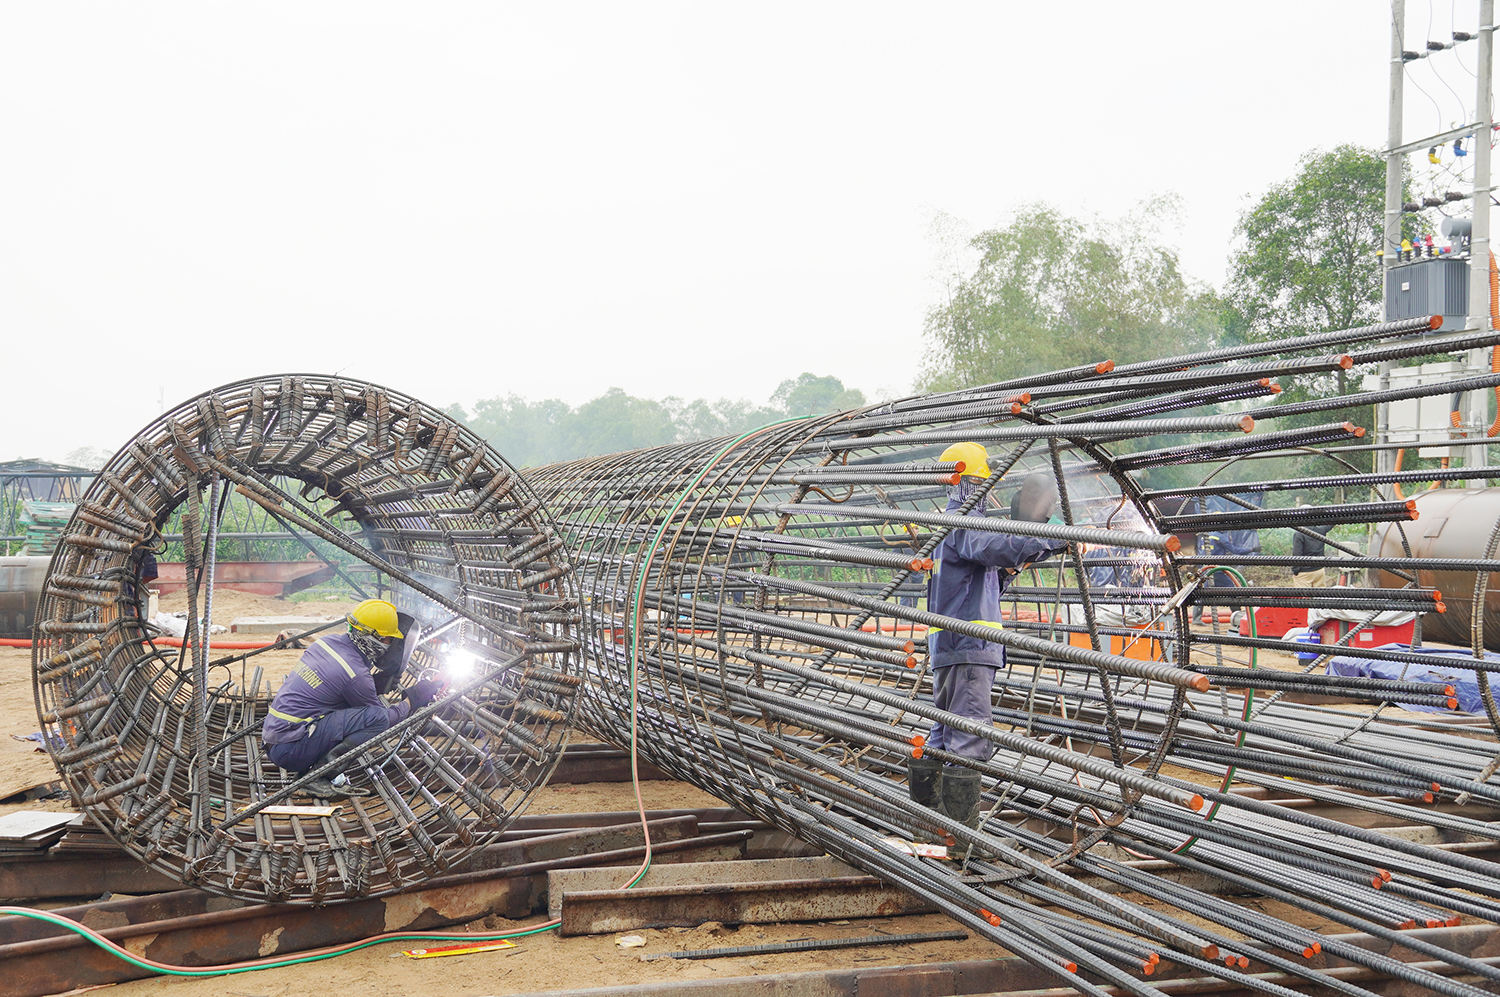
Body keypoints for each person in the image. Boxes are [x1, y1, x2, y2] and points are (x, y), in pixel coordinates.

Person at [910, 442, 1069, 831]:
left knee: (943, 735)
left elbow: (987, 576)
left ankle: (927, 829)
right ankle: (957, 842)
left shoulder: (949, 526)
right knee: (968, 740)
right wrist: (1050, 536)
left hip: (952, 649)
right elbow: (994, 546)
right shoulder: (966, 524)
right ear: (974, 483)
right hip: (968, 648)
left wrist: (1036, 550)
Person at [262, 598, 441, 797]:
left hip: (276, 737)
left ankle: (316, 770)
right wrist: (413, 699)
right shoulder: (355, 673)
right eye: (390, 639)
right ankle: (320, 776)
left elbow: (336, 690)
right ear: (375, 638)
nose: (390, 646)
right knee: (377, 718)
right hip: (291, 750)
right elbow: (381, 719)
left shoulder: (327, 642)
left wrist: (375, 683)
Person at [1290, 497, 1332, 587]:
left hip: (1304, 573)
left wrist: (1295, 571)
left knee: (1303, 600)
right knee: (1320, 598)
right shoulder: (1321, 529)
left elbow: (1297, 554)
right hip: (1319, 570)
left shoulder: (1299, 534)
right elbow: (1332, 522)